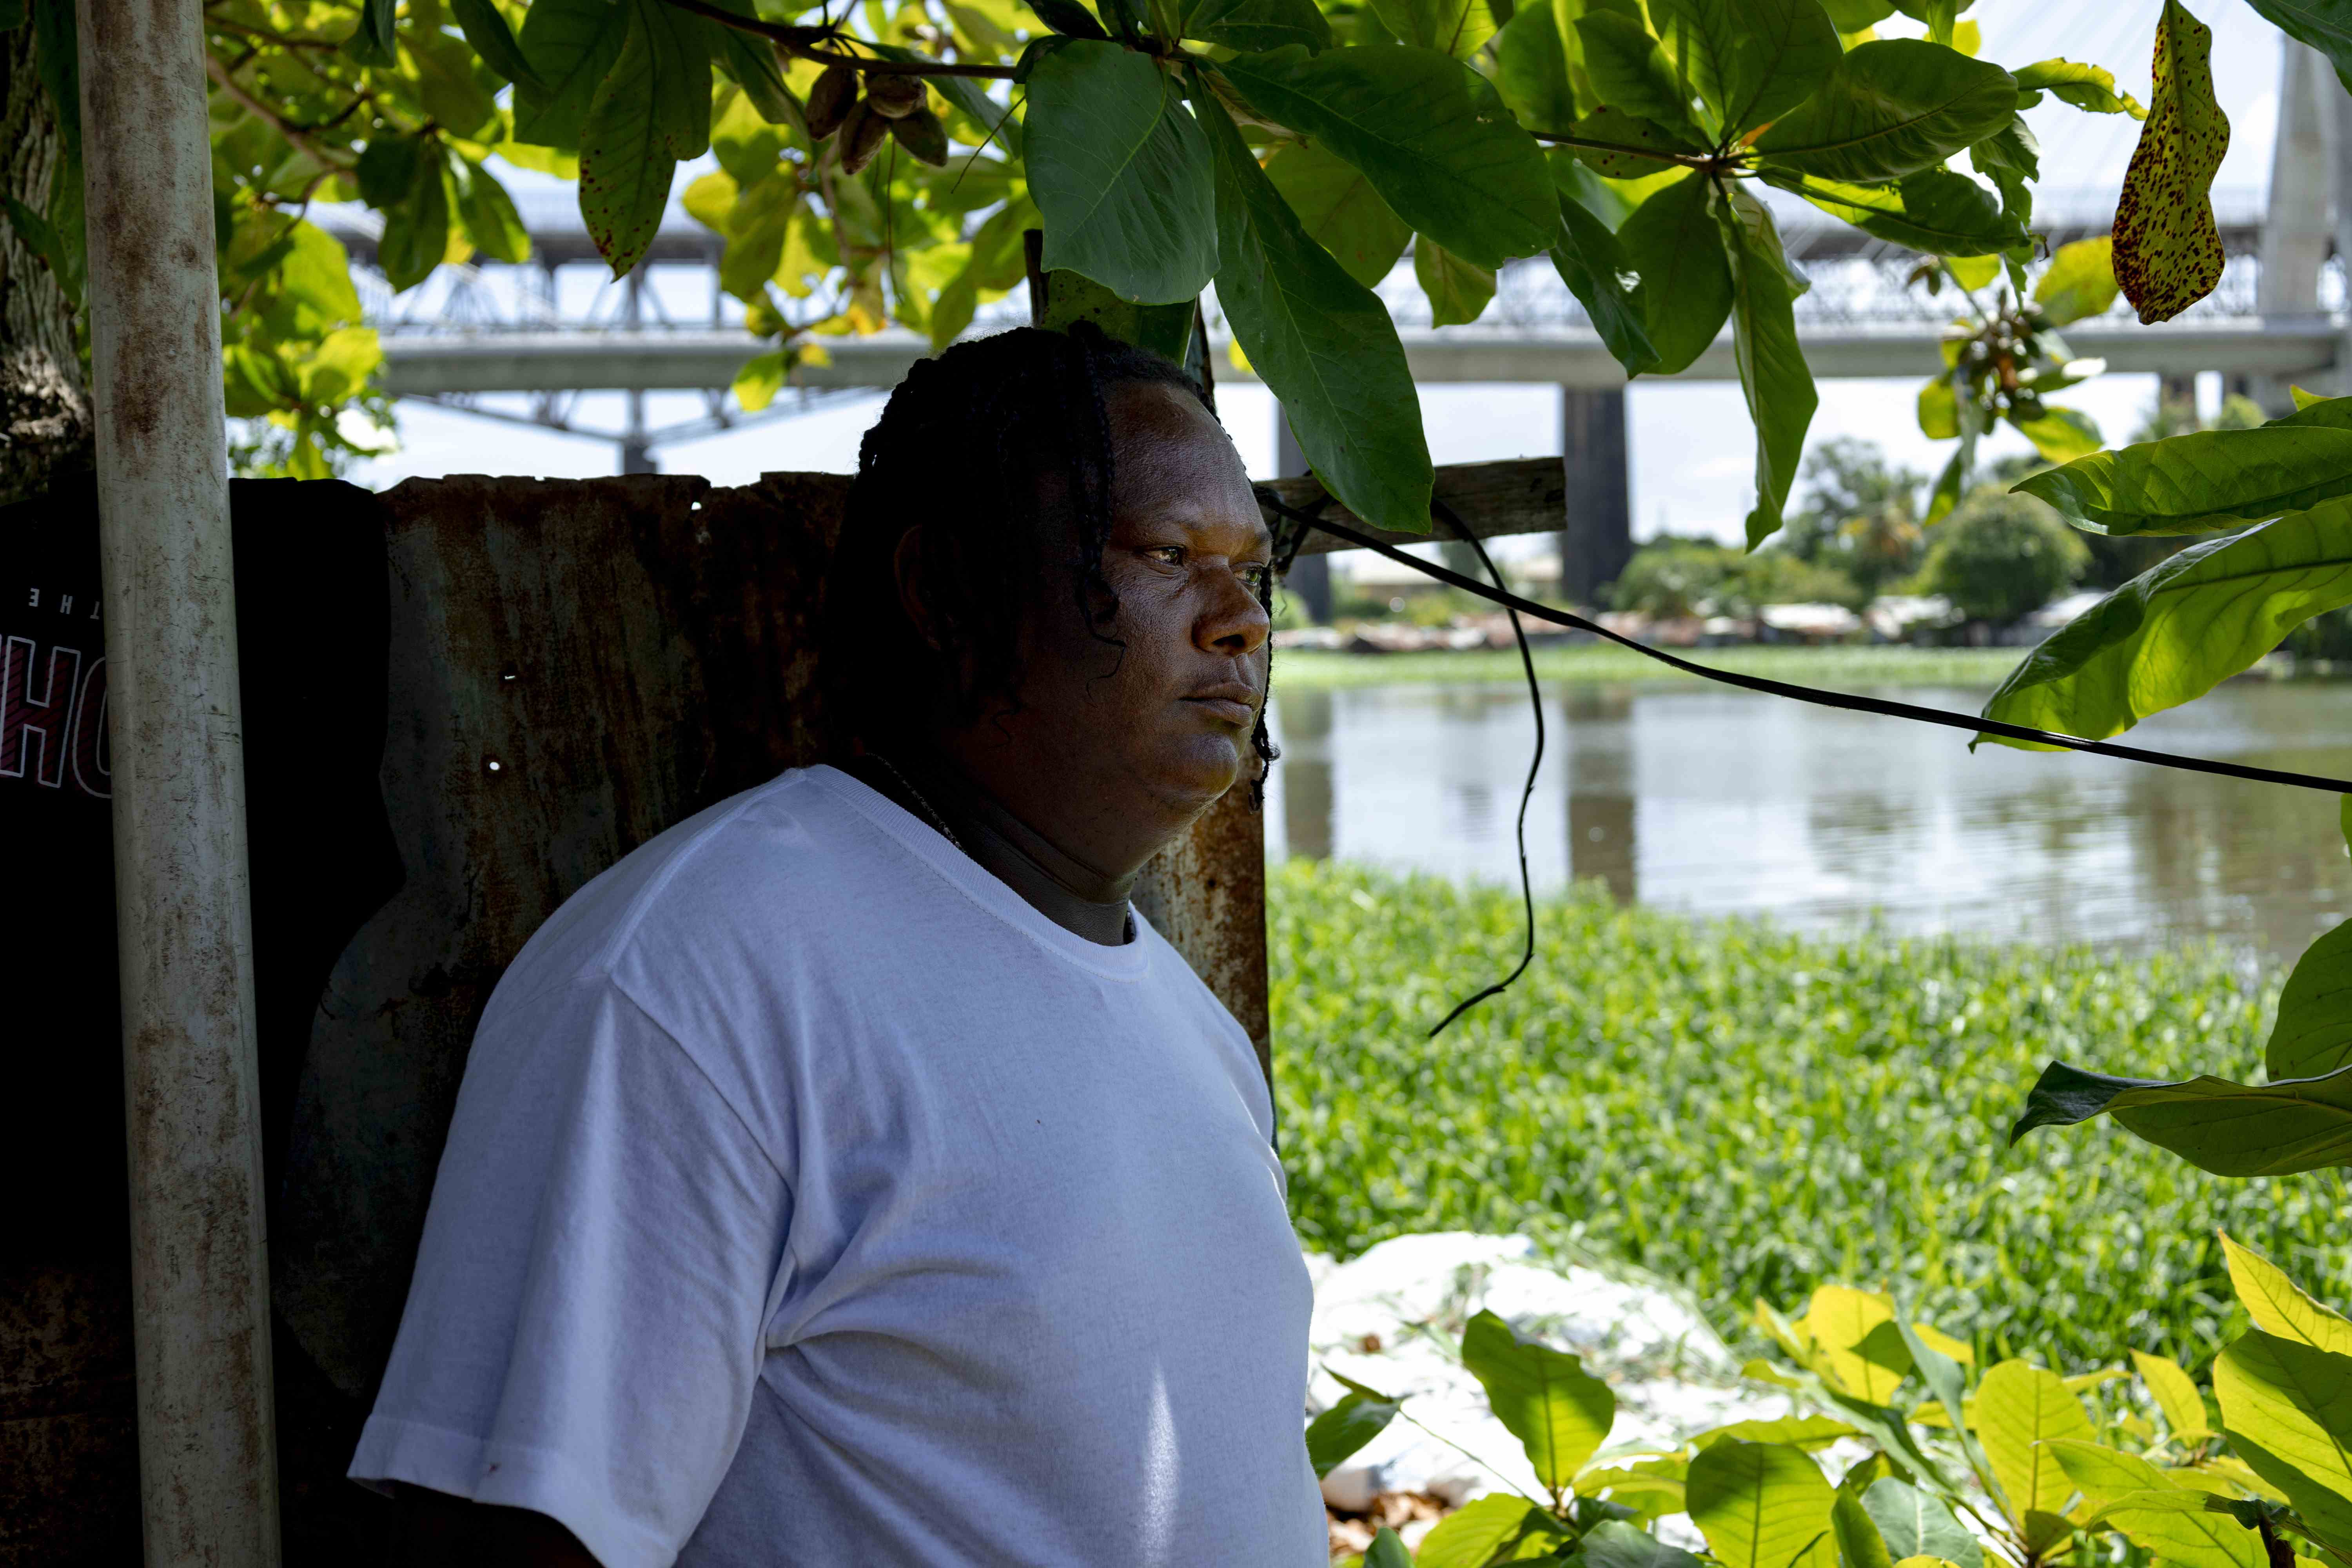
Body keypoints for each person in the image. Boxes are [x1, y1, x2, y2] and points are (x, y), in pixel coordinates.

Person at [349, 325, 1326, 1567]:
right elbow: (507, 1533)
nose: (1240, 621)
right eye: (1169, 555)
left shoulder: (1188, 1024)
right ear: (946, 589)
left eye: (1251, 569)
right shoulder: (701, 975)